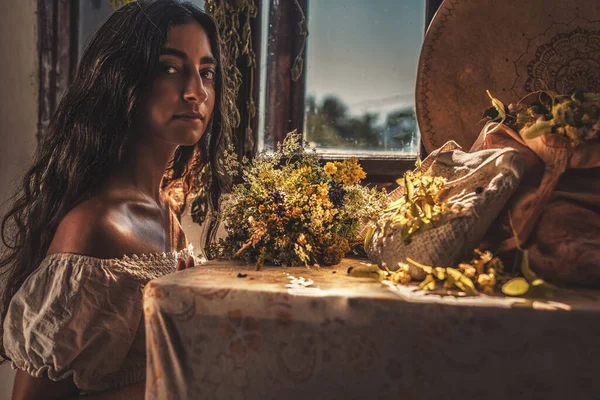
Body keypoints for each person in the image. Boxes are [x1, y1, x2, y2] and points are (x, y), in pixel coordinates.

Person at [0, 1, 229, 398]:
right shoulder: (96, 226)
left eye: (206, 73)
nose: (196, 92)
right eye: (170, 69)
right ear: (123, 80)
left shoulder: (164, 213)